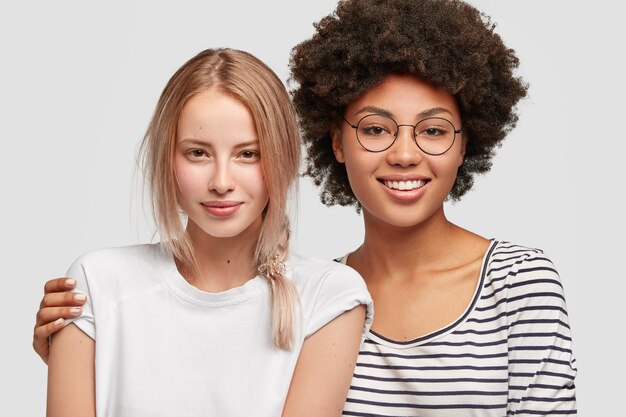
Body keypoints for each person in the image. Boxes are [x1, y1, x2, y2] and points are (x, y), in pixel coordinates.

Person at [35, 0, 577, 415]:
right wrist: (87, 352)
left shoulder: (517, 282)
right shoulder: (322, 294)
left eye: (434, 130)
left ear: (467, 141)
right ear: (335, 143)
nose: (405, 153)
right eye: (375, 129)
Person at [44, 47, 372, 417]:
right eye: (197, 153)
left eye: (248, 154)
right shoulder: (97, 282)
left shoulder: (329, 295)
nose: (221, 182)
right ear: (167, 158)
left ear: (282, 157)